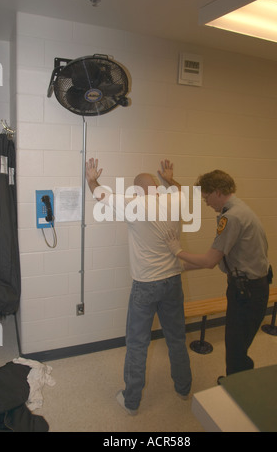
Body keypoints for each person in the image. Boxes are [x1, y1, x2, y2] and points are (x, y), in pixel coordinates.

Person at [85, 158, 192, 415]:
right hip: (172, 282)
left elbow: (100, 194)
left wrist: (91, 178)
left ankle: (131, 401)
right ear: (156, 186)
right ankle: (184, 387)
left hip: (145, 285)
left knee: (137, 344)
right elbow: (179, 189)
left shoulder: (134, 204)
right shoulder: (173, 200)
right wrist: (169, 179)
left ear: (136, 190)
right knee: (176, 337)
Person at [166, 169, 271, 378]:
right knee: (238, 345)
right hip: (254, 287)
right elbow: (218, 259)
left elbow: (209, 260)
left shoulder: (231, 217)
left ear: (217, 192)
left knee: (235, 348)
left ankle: (236, 390)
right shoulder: (240, 209)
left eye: (206, 198)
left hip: (247, 292)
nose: (206, 203)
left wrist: (177, 250)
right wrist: (180, 267)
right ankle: (238, 381)